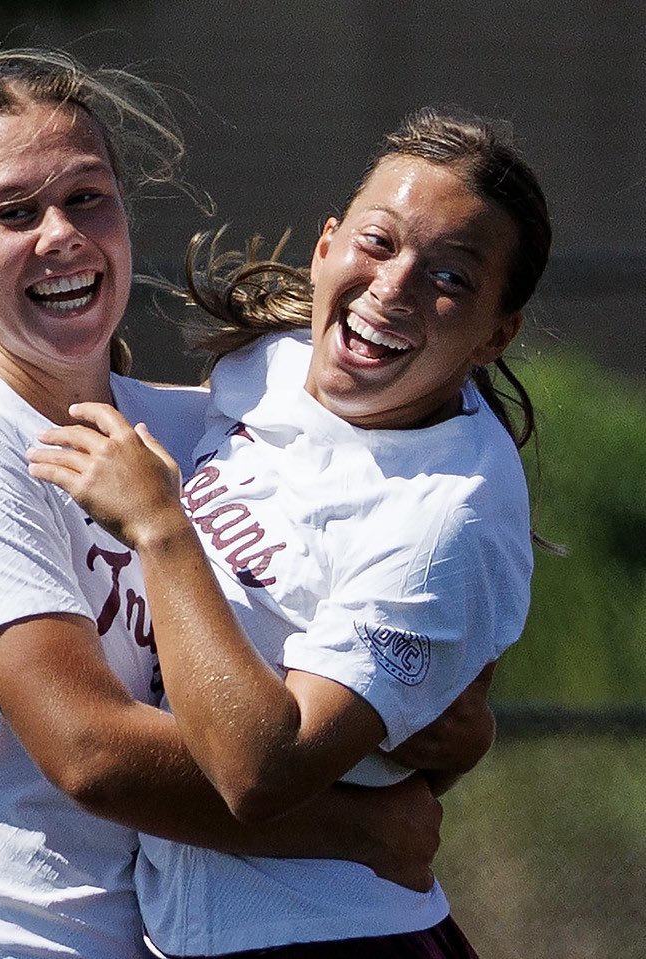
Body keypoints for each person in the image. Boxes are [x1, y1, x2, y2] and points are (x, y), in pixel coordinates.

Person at [0, 52, 490, 959]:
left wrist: (428, 701)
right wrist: (355, 825)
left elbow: (382, 683)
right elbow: (92, 754)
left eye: (86, 198)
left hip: (153, 938)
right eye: (13, 212)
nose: (60, 233)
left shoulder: (200, 432)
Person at [28, 107, 552, 957]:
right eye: (379, 242)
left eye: (450, 276)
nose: (393, 285)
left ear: (496, 334)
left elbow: (257, 772)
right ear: (325, 245)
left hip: (331, 938)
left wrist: (162, 527)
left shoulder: (446, 514)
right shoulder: (268, 365)